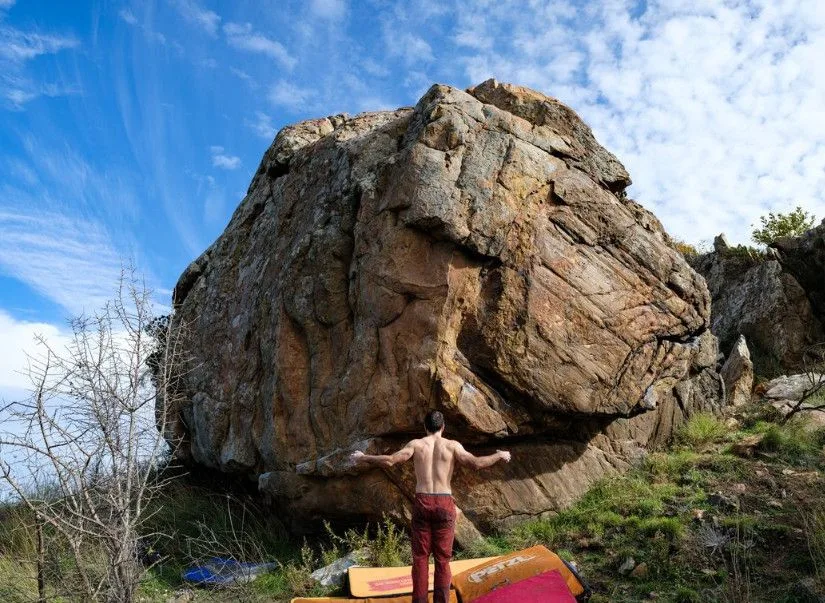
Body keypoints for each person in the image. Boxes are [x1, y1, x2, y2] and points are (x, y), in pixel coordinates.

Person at [350, 410, 511, 603]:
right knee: (443, 560)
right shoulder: (452, 446)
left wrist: (363, 457)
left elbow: (390, 461)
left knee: (420, 558)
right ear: (443, 427)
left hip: (423, 502)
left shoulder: (416, 445)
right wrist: (499, 455)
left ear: (425, 427)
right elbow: (476, 463)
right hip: (444, 502)